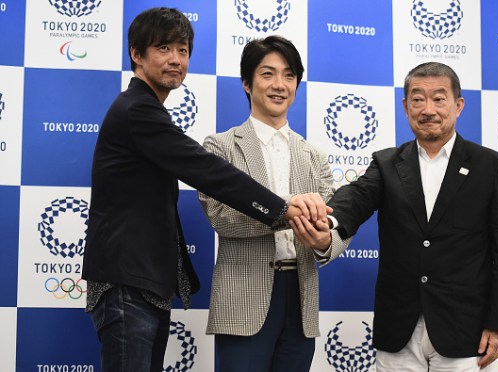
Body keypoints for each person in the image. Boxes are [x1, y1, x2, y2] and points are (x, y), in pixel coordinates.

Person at [82, 9, 328, 372]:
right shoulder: (138, 111)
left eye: (182, 51)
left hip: (141, 281)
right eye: (163, 48)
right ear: (136, 54)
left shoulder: (146, 110)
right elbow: (209, 172)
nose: (175, 60)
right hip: (126, 280)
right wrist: (285, 208)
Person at [296, 62, 498, 371]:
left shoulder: (489, 166)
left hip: (465, 330)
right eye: (418, 99)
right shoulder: (387, 163)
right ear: (405, 107)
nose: (428, 109)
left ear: (458, 105)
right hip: (398, 329)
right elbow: (356, 197)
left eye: (439, 98)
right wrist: (328, 221)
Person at [198, 35, 351, 372]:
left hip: (301, 298)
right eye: (267, 74)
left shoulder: (314, 156)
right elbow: (221, 216)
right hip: (243, 301)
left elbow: (339, 222)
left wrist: (327, 242)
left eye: (289, 75)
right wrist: (287, 209)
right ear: (246, 84)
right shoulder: (221, 147)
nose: (279, 85)